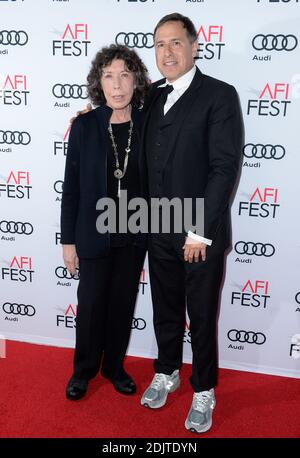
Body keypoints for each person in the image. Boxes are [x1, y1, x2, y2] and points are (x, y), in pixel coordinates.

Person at [139, 13, 243, 434]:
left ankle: (204, 389)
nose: (167, 52)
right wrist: (88, 120)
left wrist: (199, 230)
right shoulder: (148, 96)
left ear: (195, 45)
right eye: (160, 44)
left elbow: (223, 168)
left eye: (176, 42)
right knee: (164, 308)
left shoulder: (219, 95)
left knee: (200, 314)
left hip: (199, 233)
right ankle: (167, 371)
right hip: (155, 226)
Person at [61, 44, 150, 401]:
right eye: (109, 76)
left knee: (122, 304)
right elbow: (71, 189)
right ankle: (83, 371)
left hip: (134, 233)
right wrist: (69, 241)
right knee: (91, 306)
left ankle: (114, 367)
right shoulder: (84, 125)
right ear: (99, 82)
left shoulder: (149, 122)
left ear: (136, 80)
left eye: (125, 75)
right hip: (93, 235)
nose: (117, 85)